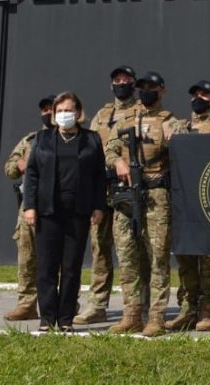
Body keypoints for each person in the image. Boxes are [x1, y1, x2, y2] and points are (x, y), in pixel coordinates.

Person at [105, 71, 181, 337]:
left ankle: (156, 317)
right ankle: (131, 315)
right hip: (126, 194)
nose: (146, 91)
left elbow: (183, 156)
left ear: (162, 91)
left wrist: (175, 145)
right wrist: (118, 162)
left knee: (157, 256)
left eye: (151, 88)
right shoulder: (125, 119)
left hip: (156, 194)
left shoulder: (171, 122)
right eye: (142, 87)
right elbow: (110, 148)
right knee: (127, 256)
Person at [22, 92, 106, 331]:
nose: (63, 115)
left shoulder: (92, 140)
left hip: (78, 213)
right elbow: (33, 174)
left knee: (71, 267)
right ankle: (47, 318)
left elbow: (99, 176)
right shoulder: (42, 139)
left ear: (78, 113)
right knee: (47, 267)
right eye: (59, 111)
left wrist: (98, 206)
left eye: (68, 110)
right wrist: (30, 206)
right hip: (48, 212)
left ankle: (66, 318)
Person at [74, 66, 139, 326]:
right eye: (116, 80)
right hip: (101, 189)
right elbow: (88, 148)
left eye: (125, 80)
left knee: (130, 249)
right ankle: (98, 305)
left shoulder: (141, 112)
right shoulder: (102, 114)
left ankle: (134, 307)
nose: (121, 84)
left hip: (128, 188)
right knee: (99, 248)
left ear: (133, 83)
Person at [166, 80, 210, 332]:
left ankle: (206, 310)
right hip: (182, 202)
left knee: (208, 258)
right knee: (184, 256)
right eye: (195, 95)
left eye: (204, 95)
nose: (198, 99)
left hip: (209, 203)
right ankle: (187, 309)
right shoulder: (177, 128)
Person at [3, 94, 55, 321]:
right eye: (43, 109)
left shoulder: (70, 139)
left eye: (51, 108)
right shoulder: (29, 140)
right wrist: (20, 164)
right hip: (29, 207)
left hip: (55, 206)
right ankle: (26, 304)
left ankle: (63, 303)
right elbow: (9, 168)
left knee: (56, 258)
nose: (47, 113)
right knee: (27, 257)